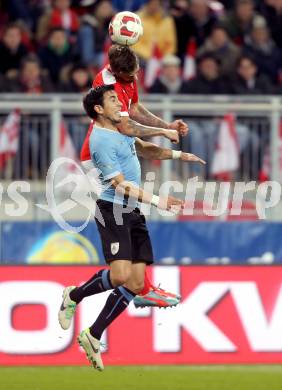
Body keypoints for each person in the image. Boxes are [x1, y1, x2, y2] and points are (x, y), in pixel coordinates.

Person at [58, 85, 205, 370]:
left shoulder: (122, 129)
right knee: (121, 274)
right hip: (113, 209)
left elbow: (145, 148)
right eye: (112, 99)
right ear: (98, 109)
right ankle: (72, 295)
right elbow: (121, 186)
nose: (119, 102)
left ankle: (93, 334)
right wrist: (158, 200)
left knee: (137, 283)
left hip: (133, 210)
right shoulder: (100, 141)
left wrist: (179, 156)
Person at [80, 44, 188, 309]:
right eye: (129, 76)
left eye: (136, 73)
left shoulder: (127, 78)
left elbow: (136, 108)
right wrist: (162, 133)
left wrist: (166, 125)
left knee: (131, 209)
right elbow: (126, 125)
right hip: (97, 159)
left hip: (120, 146)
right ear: (117, 73)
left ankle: (141, 287)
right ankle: (138, 289)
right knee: (121, 199)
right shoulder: (108, 88)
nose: (134, 79)